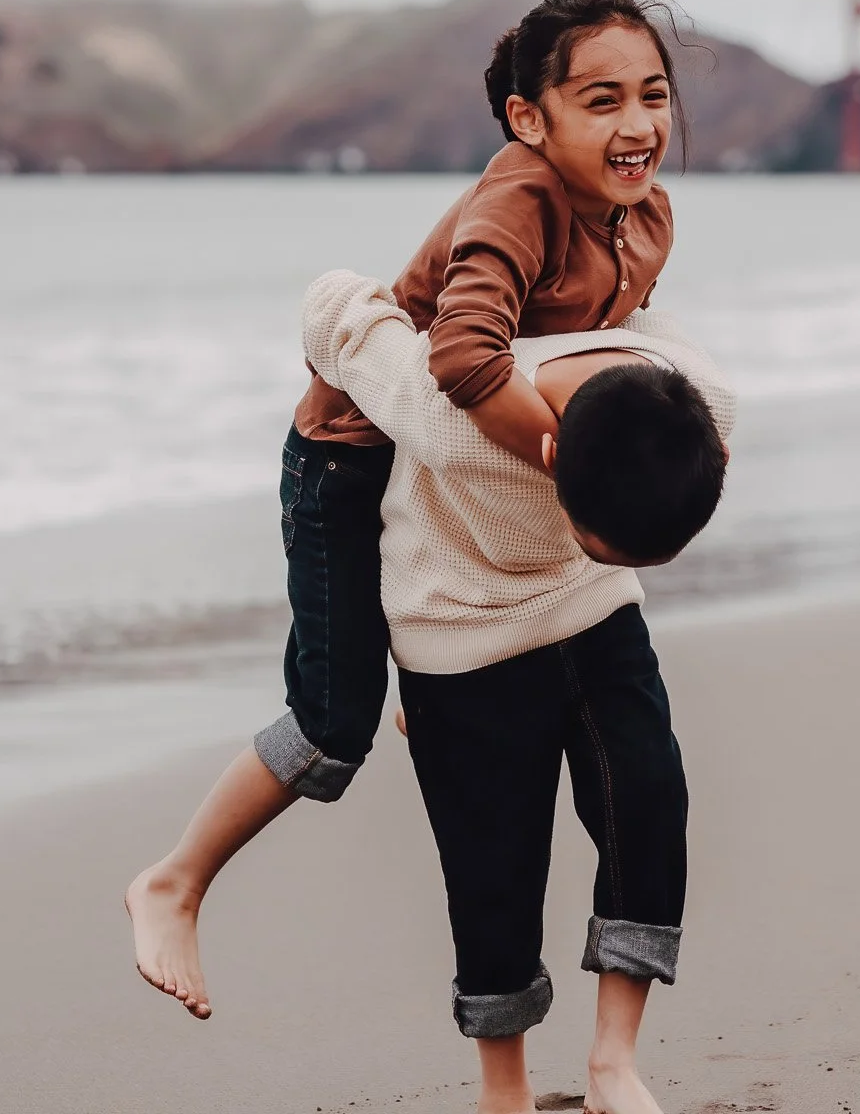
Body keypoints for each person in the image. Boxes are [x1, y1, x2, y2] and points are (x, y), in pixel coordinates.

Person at [126, 0, 699, 1018]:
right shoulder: (517, 202)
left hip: (450, 477)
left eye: (652, 94)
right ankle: (174, 877)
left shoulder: (646, 216)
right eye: (603, 99)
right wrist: (575, 462)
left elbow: (586, 353)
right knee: (335, 723)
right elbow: (467, 356)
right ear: (532, 117)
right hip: (351, 454)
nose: (638, 125)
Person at [298, 264, 734, 1114]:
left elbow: (641, 298)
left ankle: (613, 1065)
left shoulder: (705, 407)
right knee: (491, 868)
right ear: (547, 458)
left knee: (648, 803)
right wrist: (387, 295)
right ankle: (505, 1092)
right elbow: (332, 310)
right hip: (461, 634)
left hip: (592, 613)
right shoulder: (452, 421)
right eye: (606, 539)